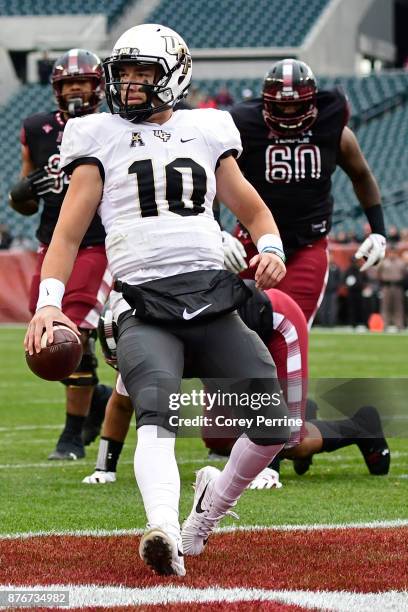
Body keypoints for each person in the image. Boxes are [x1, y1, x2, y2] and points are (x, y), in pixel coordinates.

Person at [24, 24, 289, 577]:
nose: (133, 84)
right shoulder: (99, 135)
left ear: (177, 74)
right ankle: (163, 529)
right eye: (124, 74)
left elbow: (255, 211)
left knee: (272, 422)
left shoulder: (209, 129)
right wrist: (50, 303)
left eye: (145, 72)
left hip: (213, 298)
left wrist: (270, 249)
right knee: (157, 415)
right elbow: (68, 235)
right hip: (144, 305)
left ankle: (206, 513)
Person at [86, 283, 390, 487]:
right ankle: (302, 414)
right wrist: (104, 469)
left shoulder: (173, 333)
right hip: (232, 338)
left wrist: (270, 467)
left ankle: (362, 426)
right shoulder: (147, 341)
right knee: (219, 439)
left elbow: (252, 386)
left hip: (276, 326)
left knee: (287, 443)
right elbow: (122, 402)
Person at [227, 59, 387, 327]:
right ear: (266, 102)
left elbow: (362, 175)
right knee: (235, 331)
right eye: (281, 104)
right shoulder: (243, 126)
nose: (288, 111)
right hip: (251, 241)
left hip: (306, 244)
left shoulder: (334, 130)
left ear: (312, 101)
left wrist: (379, 230)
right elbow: (214, 173)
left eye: (296, 104)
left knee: (290, 328)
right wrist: (216, 230)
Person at [9, 48, 112, 460]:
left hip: (97, 241)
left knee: (74, 334)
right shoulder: (36, 128)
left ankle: (71, 437)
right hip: (53, 243)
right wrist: (21, 197)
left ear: (97, 87)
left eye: (81, 82)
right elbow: (26, 197)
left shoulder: (112, 128)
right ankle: (98, 396)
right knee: (44, 338)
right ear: (56, 88)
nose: (74, 89)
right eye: (68, 82)